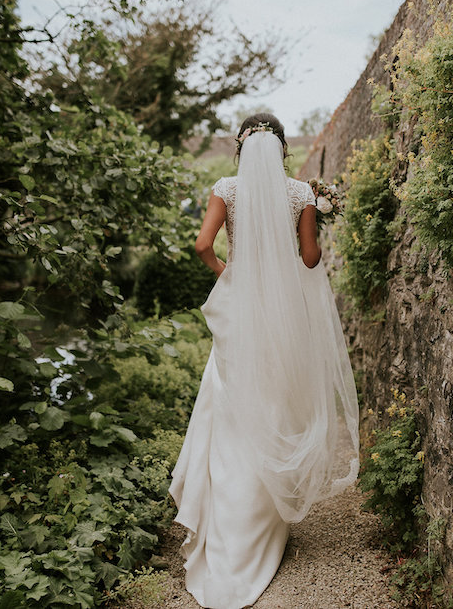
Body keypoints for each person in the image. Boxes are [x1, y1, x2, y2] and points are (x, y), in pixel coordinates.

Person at [169, 114, 360, 608]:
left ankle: (226, 533)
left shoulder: (225, 188)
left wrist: (228, 273)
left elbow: (202, 245)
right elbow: (312, 259)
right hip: (280, 310)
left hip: (240, 309)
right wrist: (314, 217)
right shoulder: (300, 194)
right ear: (280, 150)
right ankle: (267, 520)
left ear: (240, 148)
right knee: (276, 404)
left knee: (230, 411)